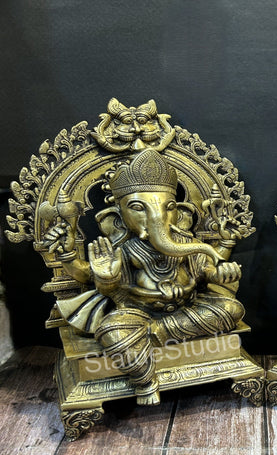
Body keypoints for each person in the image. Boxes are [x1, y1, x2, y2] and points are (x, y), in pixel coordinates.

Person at [42, 149, 244, 405]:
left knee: (232, 309)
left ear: (180, 214)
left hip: (184, 310)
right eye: (138, 208)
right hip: (135, 313)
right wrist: (94, 271)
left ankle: (151, 335)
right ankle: (145, 381)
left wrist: (221, 273)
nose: (157, 218)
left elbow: (206, 271)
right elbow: (94, 281)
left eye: (168, 208)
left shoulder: (186, 243)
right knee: (111, 331)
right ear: (116, 219)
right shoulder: (122, 249)